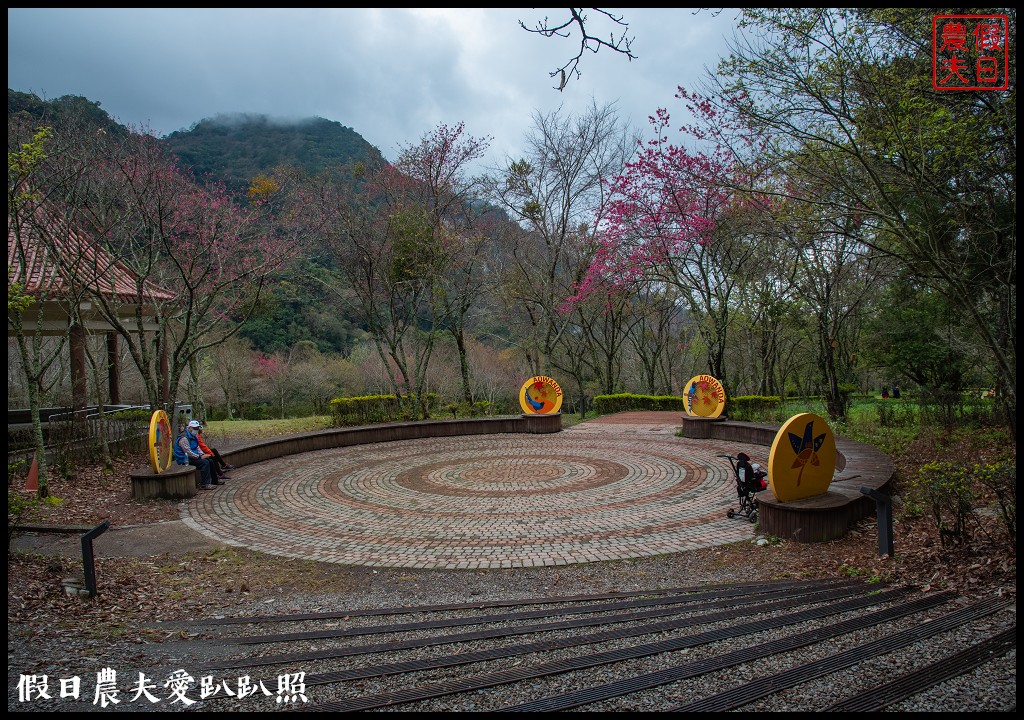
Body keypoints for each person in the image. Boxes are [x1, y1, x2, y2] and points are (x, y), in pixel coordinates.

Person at [173, 419, 221, 488]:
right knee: (205, 463)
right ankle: (204, 484)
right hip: (184, 459)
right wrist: (200, 457)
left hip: (193, 457)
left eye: (197, 428)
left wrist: (202, 454)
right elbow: (188, 452)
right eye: (194, 428)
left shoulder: (194, 436)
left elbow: (197, 447)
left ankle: (215, 480)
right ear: (189, 428)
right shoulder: (184, 438)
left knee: (210, 460)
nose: (196, 429)